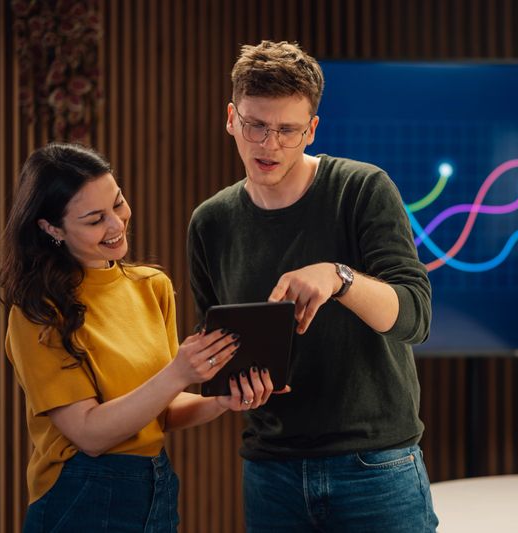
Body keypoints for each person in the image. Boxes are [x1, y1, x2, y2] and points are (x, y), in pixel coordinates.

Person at [187, 41, 438, 531]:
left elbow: (414, 317)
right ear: (231, 118)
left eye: (287, 130)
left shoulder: (362, 189)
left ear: (312, 129)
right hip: (271, 471)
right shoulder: (210, 222)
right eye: (256, 125)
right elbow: (216, 346)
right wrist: (234, 386)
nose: (269, 144)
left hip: (375, 466)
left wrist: (338, 277)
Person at [0, 142, 284, 532]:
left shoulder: (152, 286)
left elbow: (160, 408)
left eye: (118, 203)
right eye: (95, 219)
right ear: (51, 228)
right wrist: (180, 372)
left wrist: (220, 401)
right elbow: (90, 434)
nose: (116, 224)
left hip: (156, 482)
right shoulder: (38, 312)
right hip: (80, 492)